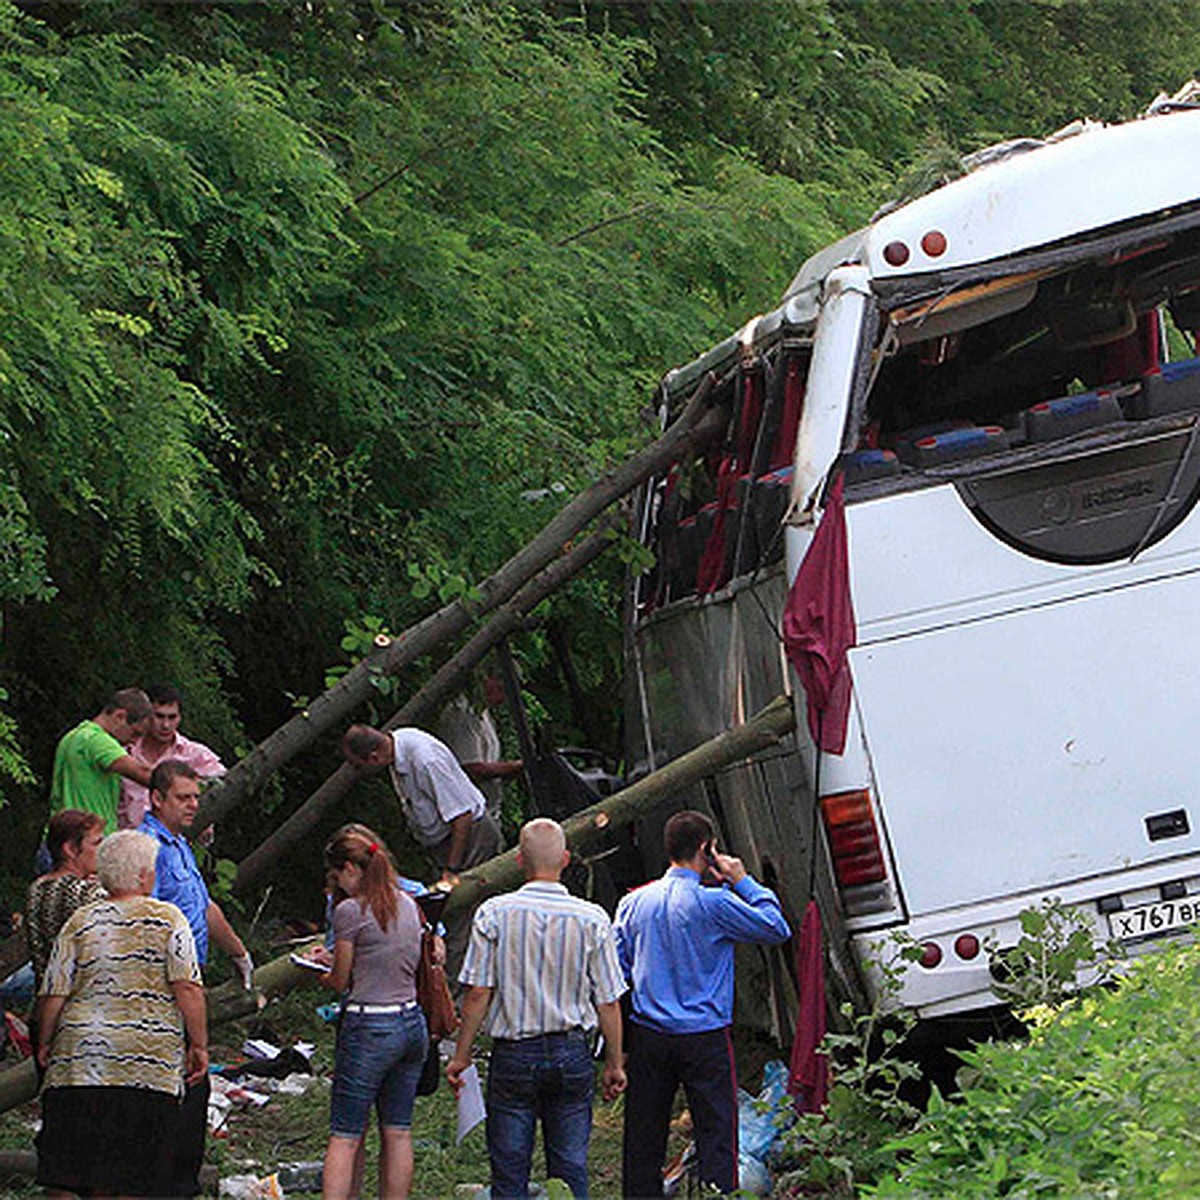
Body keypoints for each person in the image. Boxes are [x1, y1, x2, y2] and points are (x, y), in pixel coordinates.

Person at [614, 810, 792, 1198]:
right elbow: (776, 927)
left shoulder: (634, 903)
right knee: (716, 1132)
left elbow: (617, 968)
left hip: (650, 1033)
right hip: (704, 1036)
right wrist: (742, 879)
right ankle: (716, 1193)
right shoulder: (714, 904)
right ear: (706, 850)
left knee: (644, 1132)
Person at [447, 817, 627, 1200]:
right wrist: (614, 1062)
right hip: (571, 1052)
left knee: (509, 1167)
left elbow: (479, 993)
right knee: (570, 1165)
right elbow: (608, 999)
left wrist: (461, 1056)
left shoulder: (493, 914)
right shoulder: (592, 917)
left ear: (518, 860)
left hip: (514, 1054)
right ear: (565, 859)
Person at [35, 829, 206, 1199]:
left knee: (78, 1171)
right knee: (134, 1176)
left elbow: (54, 991)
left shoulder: (80, 922)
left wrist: (46, 1042)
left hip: (80, 1066)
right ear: (145, 874)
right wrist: (199, 1045)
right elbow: (188, 987)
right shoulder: (168, 919)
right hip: (145, 1068)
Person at [140, 759, 253, 1197]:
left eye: (196, 797)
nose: (192, 805)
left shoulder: (180, 845)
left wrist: (240, 954)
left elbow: (205, 907)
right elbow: (143, 919)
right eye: (183, 798)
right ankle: (166, 1184)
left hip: (192, 974)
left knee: (193, 1089)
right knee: (183, 1084)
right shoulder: (146, 847)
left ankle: (179, 1179)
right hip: (165, 983)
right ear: (157, 798)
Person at [318, 825, 428, 1200]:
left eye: (337, 878)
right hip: (411, 1021)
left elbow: (341, 979)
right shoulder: (409, 905)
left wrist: (320, 969)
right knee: (397, 1130)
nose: (337, 887)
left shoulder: (351, 911)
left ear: (350, 869)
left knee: (345, 1134)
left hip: (369, 1023)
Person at [341, 724, 501, 885]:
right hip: (447, 844)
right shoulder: (396, 751)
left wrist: (452, 869)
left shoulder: (426, 760)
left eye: (358, 766)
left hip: (470, 839)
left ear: (374, 757)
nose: (358, 771)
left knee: (468, 900)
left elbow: (462, 815)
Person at [119, 682, 225, 831]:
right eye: (159, 716)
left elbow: (223, 788)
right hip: (126, 842)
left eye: (172, 717)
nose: (166, 725)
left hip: (176, 843)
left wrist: (206, 819)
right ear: (146, 716)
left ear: (180, 717)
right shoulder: (123, 753)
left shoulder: (196, 755)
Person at [49, 687, 153, 833]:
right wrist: (178, 788)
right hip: (82, 841)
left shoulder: (73, 736)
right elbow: (142, 773)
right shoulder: (97, 740)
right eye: (135, 733)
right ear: (119, 716)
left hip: (62, 836)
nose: (134, 742)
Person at [26, 811, 106, 995]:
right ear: (70, 849)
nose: (103, 849)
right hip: (84, 1003)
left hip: (47, 998)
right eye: (96, 843)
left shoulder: (38, 888)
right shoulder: (86, 893)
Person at [436, 675, 523, 838]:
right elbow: (471, 770)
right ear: (486, 679)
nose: (503, 698)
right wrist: (518, 766)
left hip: (489, 816)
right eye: (501, 689)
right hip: (470, 822)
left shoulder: (483, 713)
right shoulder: (461, 713)